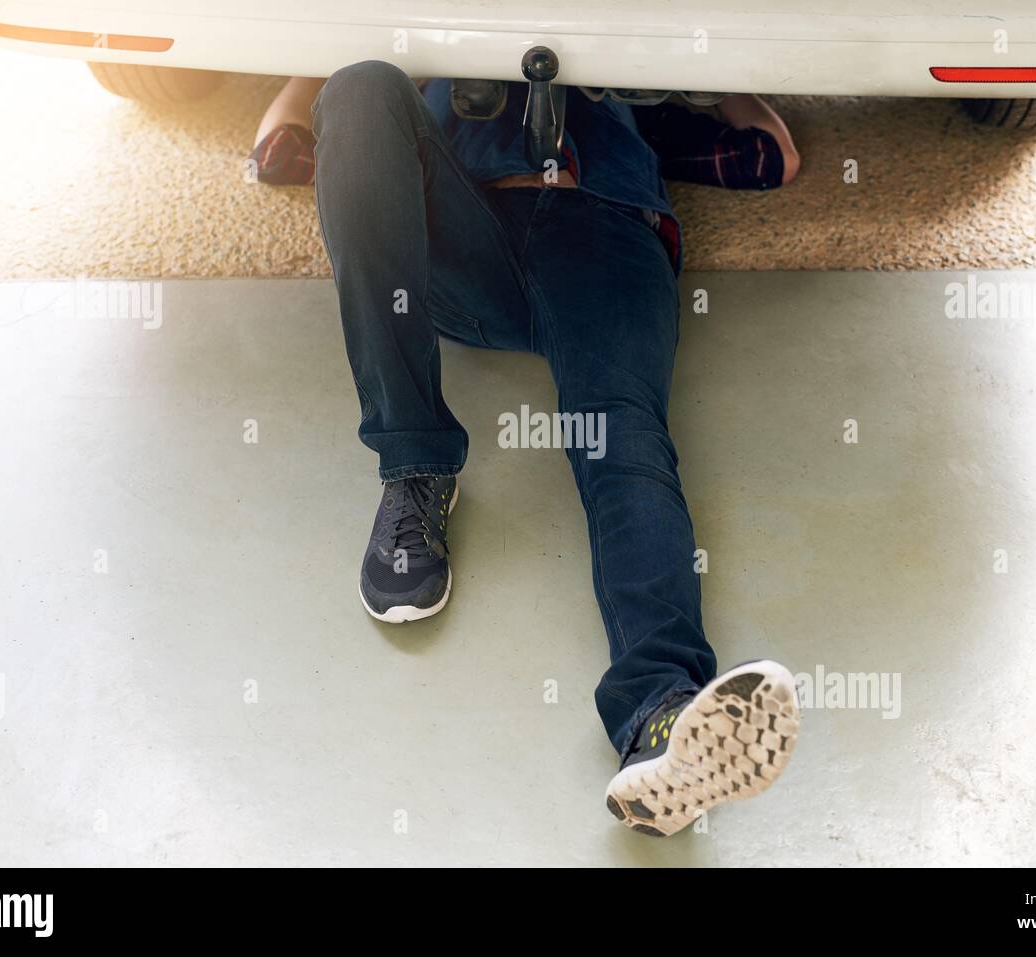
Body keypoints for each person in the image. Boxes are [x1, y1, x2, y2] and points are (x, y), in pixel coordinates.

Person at [273, 62, 803, 837]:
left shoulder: (631, 82)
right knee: (355, 88)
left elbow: (771, 155)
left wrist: (709, 58)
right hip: (465, 240)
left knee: (624, 440)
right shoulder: (431, 62)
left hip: (604, 232)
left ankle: (661, 717)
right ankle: (415, 466)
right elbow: (278, 147)